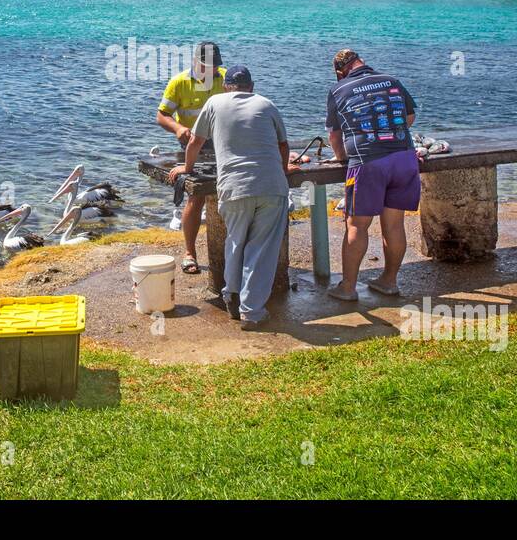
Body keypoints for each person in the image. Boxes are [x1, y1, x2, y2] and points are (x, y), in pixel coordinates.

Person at [168, 65, 296, 330]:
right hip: (270, 186)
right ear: (251, 86)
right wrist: (283, 170)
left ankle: (232, 296)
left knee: (236, 243)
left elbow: (195, 141)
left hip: (233, 188)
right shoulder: (267, 104)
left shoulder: (214, 102)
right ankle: (252, 311)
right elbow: (284, 145)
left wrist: (187, 169)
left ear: (227, 86)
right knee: (261, 250)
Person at [324, 48, 420, 301]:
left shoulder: (338, 90)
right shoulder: (392, 80)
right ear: (361, 62)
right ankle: (389, 282)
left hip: (367, 161)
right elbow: (409, 117)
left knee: (357, 224)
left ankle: (347, 288)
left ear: (339, 71)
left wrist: (342, 157)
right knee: (394, 224)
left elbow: (334, 135)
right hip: (404, 157)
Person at [156, 41, 226, 274]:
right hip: (192, 145)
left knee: (229, 194)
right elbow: (162, 115)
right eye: (207, 66)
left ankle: (229, 250)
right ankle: (190, 253)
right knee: (196, 196)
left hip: (221, 143)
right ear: (195, 62)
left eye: (216, 66)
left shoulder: (225, 78)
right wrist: (177, 129)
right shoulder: (179, 82)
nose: (213, 70)